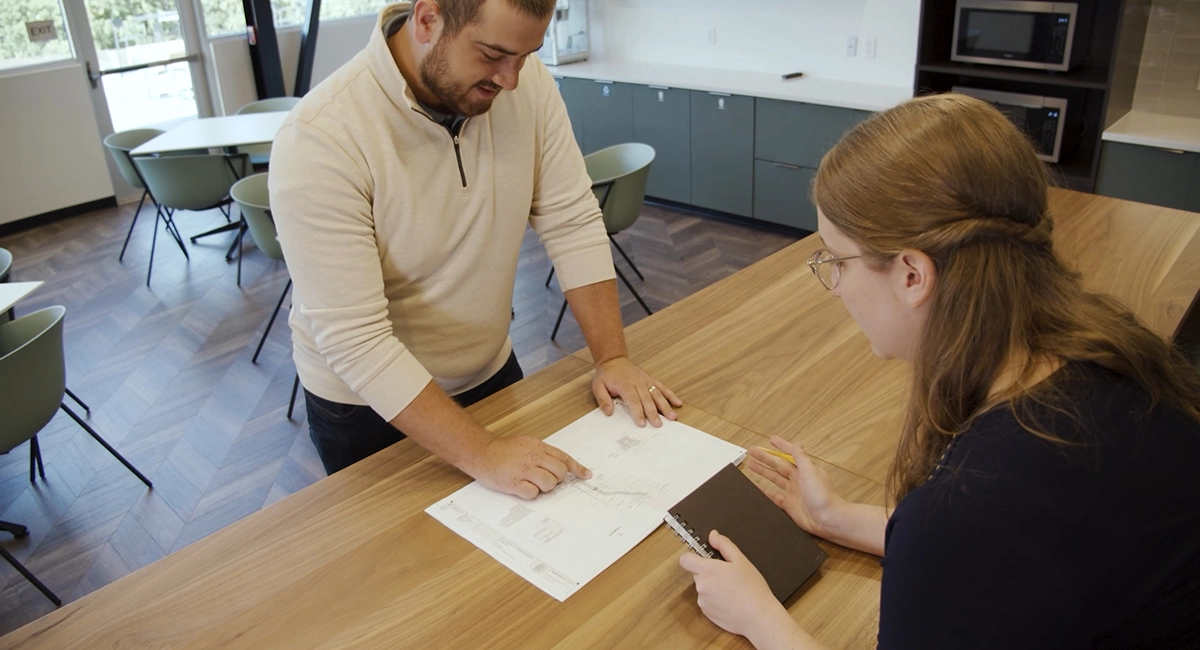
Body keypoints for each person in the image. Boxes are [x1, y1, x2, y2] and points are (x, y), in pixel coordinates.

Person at [678, 93, 1200, 649]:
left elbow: (976, 541)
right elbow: (1014, 557)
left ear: (912, 275)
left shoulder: (968, 507)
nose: (833, 288)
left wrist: (759, 617)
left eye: (836, 260)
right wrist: (837, 519)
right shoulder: (1108, 355)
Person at [269, 0, 682, 497]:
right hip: (367, 406)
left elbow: (572, 220)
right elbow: (356, 340)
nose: (511, 80)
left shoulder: (522, 83)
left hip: (488, 370)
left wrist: (611, 357)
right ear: (428, 20)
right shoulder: (319, 138)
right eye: (492, 55)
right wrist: (482, 452)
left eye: (526, 55)